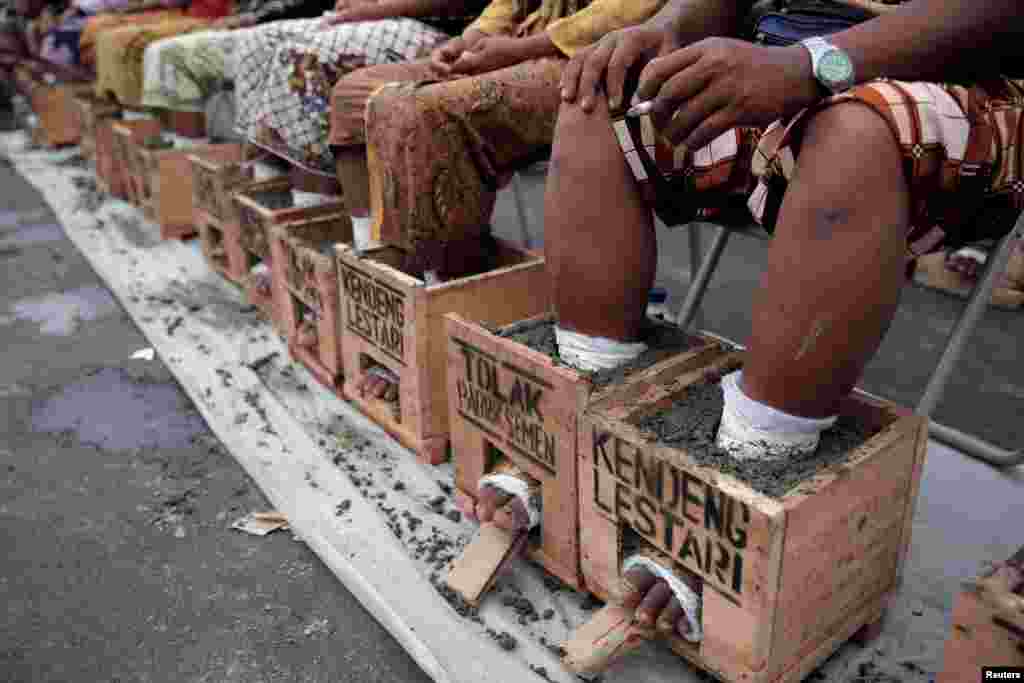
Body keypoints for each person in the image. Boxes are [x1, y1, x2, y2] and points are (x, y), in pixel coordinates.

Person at [535, 0, 1023, 651]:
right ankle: (596, 433)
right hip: (781, 59)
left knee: (853, 131)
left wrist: (816, 63)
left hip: (958, 78)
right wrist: (670, 27)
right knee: (599, 97)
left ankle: (737, 498)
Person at [232, 0, 483, 199]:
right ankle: (272, 207)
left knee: (301, 57)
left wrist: (377, 8)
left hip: (446, 25)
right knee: (253, 43)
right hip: (389, 13)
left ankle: (315, 212)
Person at [138, 0, 334, 119]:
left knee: (168, 54)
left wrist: (249, 19)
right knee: (158, 52)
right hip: (256, 22)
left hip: (289, 24)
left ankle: (184, 155)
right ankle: (178, 153)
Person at [91, 0, 233, 106]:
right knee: (105, 35)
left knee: (120, 40)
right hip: (186, 13)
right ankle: (112, 101)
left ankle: (136, 112)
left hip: (207, 19)